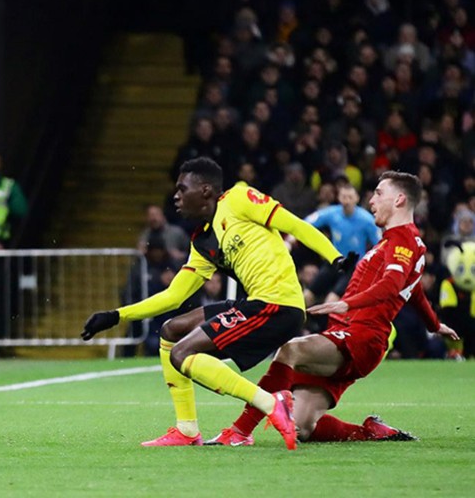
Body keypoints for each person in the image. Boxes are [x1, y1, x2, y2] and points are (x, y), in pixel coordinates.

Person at [81, 157, 351, 449]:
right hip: (255, 304)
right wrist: (115, 316)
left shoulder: (239, 198)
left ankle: (272, 404)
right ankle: (186, 430)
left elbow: (295, 225)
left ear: (206, 190)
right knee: (172, 330)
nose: (176, 196)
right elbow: (174, 296)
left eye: (182, 189)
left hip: (277, 305)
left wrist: (333, 255)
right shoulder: (203, 242)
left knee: (182, 354)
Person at [210, 171, 459, 445]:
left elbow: (392, 284)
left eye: (378, 193)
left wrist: (346, 303)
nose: (371, 199)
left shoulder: (403, 239)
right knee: (302, 426)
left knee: (290, 349)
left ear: (399, 199)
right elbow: (414, 291)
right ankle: (370, 431)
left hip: (360, 337)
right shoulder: (395, 241)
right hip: (350, 334)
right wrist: (434, 325)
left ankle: (239, 431)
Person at [302, 182, 380, 306]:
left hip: (353, 267)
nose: (347, 201)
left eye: (350, 197)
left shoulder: (367, 220)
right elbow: (307, 222)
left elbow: (380, 244)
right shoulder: (332, 213)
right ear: (339, 198)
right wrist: (291, 236)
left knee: (331, 301)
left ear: (356, 198)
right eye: (344, 197)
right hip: (334, 261)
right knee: (306, 296)